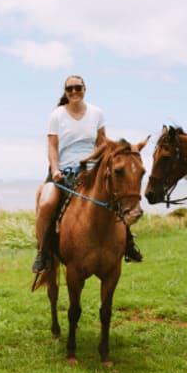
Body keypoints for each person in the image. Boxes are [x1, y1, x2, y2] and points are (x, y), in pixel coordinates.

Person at [31, 75, 143, 273]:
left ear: (85, 89)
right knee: (47, 202)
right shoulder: (57, 115)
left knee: (116, 195)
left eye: (78, 88)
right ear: (65, 92)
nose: (74, 92)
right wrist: (55, 170)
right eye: (70, 89)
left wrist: (96, 157)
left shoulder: (96, 113)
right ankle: (43, 253)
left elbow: (101, 141)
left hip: (92, 169)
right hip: (63, 172)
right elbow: (52, 146)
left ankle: (128, 245)